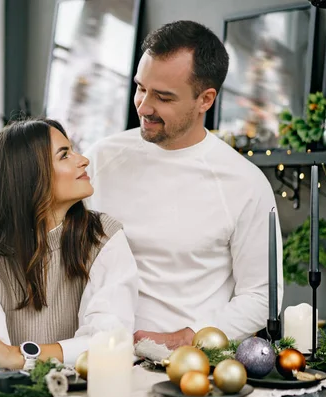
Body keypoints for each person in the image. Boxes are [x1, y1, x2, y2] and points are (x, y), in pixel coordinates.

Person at [84, 20, 283, 349]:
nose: (144, 106)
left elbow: (262, 296)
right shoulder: (99, 160)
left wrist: (187, 339)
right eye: (140, 88)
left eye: (163, 97)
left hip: (189, 369)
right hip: (93, 355)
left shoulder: (245, 184)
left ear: (205, 99)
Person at [0, 118, 138, 396]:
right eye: (65, 154)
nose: (84, 160)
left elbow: (108, 341)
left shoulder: (103, 236)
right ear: (30, 176)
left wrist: (20, 355)